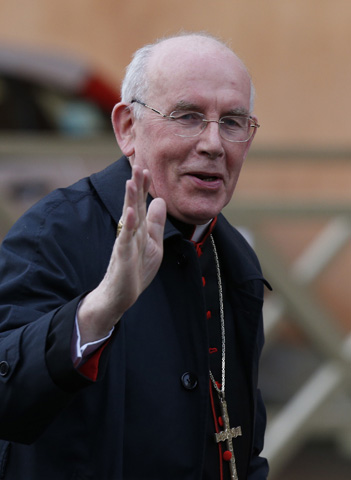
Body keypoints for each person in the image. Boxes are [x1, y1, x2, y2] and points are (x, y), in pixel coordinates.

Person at [0, 32, 270, 479]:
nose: (213, 143)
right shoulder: (55, 231)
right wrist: (98, 310)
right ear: (128, 128)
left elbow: (242, 444)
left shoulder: (234, 258)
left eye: (233, 122)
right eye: (187, 116)